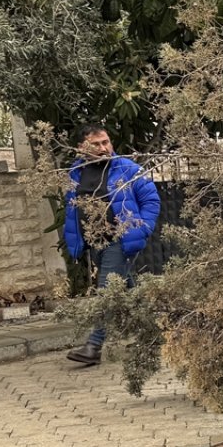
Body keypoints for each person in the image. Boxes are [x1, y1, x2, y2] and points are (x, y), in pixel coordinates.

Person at [63, 124, 161, 365]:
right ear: (81, 147)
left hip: (121, 239)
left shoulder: (128, 169)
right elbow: (72, 209)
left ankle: (93, 346)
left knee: (108, 290)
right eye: (96, 144)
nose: (103, 148)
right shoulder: (75, 174)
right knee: (126, 287)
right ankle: (153, 333)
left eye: (105, 142)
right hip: (94, 241)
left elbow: (151, 200)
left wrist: (141, 229)